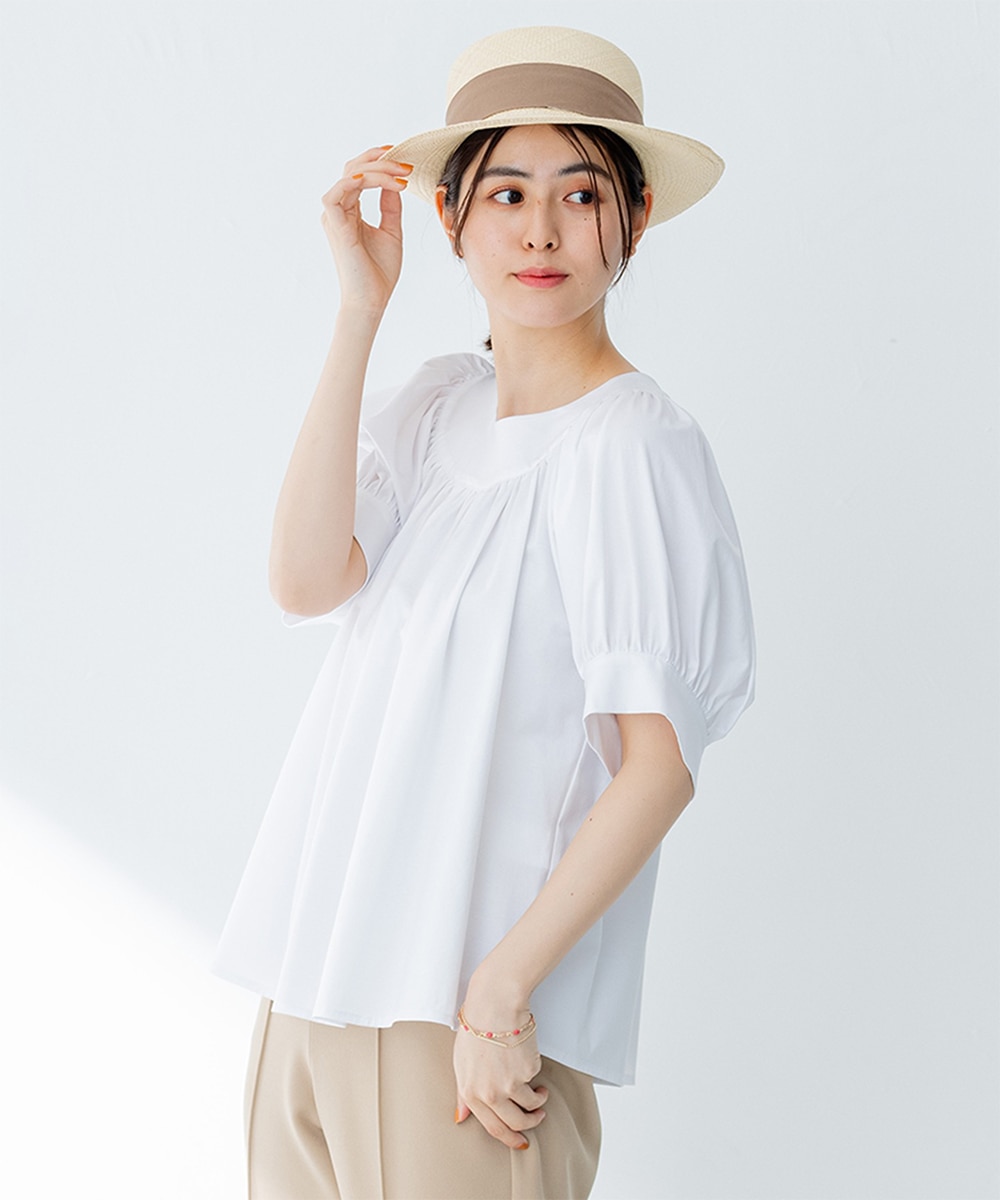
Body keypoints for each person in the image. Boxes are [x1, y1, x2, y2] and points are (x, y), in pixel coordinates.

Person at [213, 24, 756, 1200]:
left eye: (579, 193)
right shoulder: (437, 406)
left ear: (635, 216)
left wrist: (501, 991)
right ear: (451, 217)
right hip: (312, 976)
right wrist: (359, 311)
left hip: (465, 1020)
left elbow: (657, 766)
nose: (540, 230)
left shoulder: (630, 446)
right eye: (505, 193)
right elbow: (304, 579)